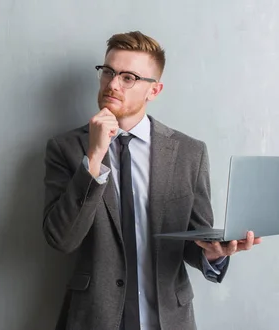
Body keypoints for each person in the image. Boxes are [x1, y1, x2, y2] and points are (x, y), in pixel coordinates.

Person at [42, 31, 262, 330]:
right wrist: (93, 159)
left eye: (128, 77)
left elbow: (193, 238)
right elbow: (61, 239)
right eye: (108, 71)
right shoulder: (65, 149)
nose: (113, 84)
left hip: (168, 318)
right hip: (95, 318)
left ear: (154, 90)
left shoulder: (188, 152)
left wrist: (211, 253)